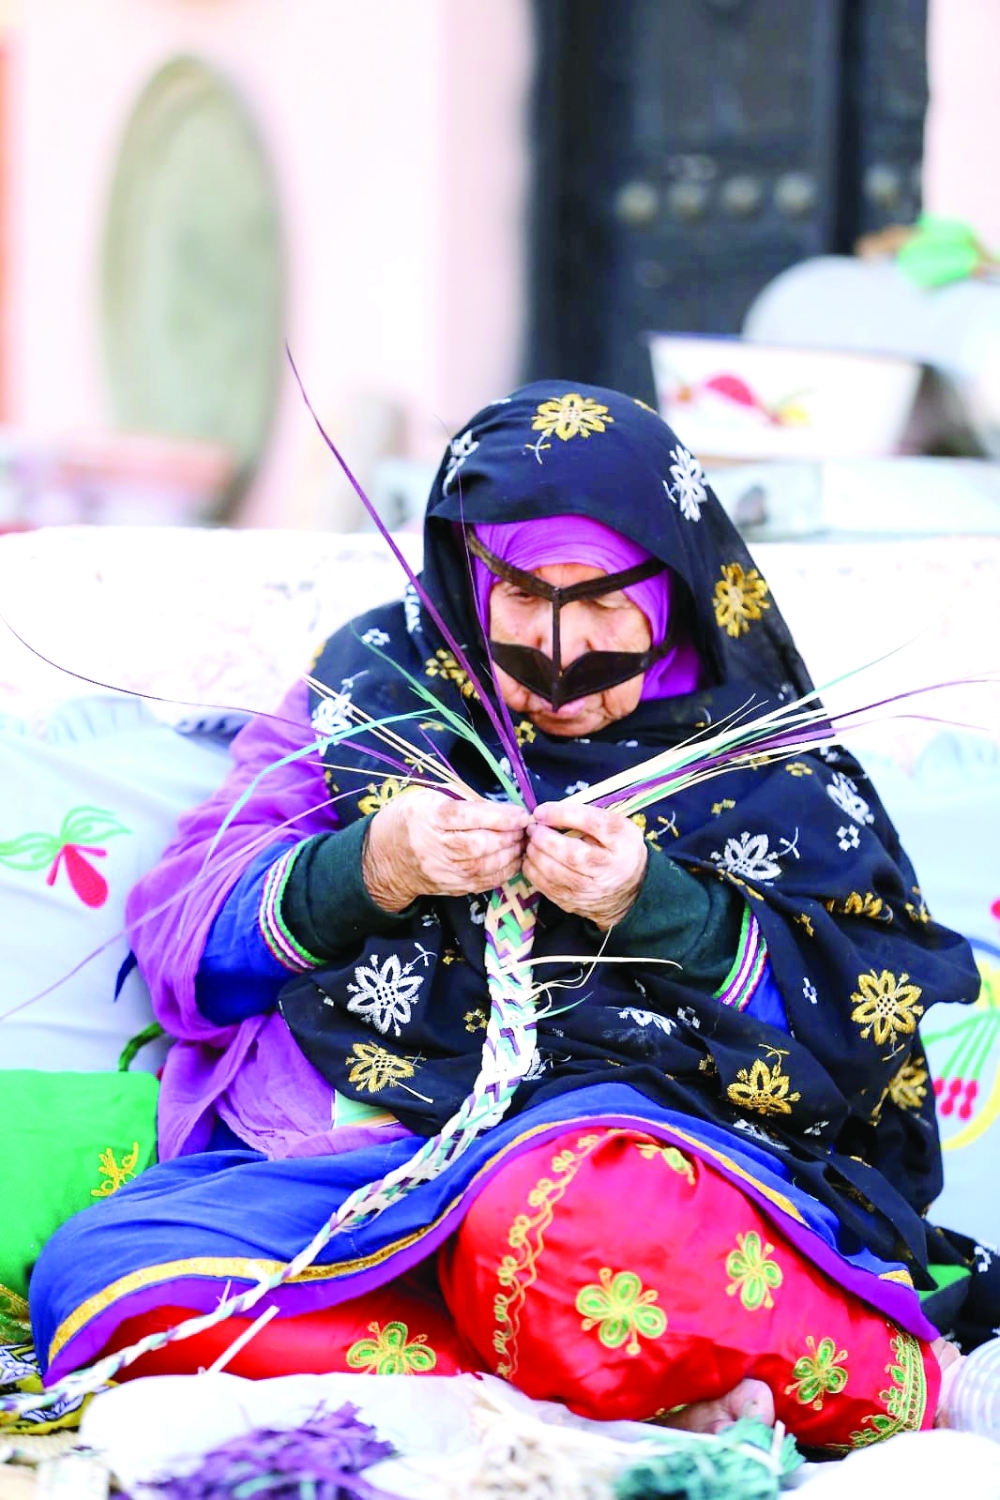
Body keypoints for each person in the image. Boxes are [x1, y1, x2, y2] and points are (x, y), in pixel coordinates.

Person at [30, 384, 994, 1448]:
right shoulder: (378, 690)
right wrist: (371, 868)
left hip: (633, 1169)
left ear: (678, 582)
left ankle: (923, 1388)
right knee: (107, 1283)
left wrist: (660, 907)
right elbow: (182, 948)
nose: (558, 651)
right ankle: (591, 1401)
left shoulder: (765, 751)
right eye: (521, 597)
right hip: (363, 1169)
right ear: (463, 568)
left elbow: (868, 1023)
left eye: (606, 604)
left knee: (558, 1229)